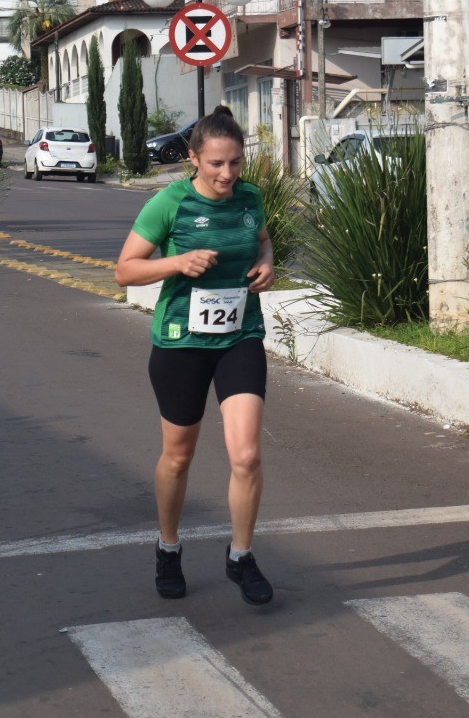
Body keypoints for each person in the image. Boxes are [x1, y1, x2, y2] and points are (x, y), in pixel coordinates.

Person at [114, 106, 276, 606]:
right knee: (178, 457)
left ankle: (241, 558)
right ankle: (168, 547)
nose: (227, 174)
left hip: (239, 337)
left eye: (235, 163)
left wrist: (267, 265)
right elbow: (124, 271)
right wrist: (178, 262)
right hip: (181, 342)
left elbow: (263, 241)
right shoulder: (170, 203)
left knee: (246, 455)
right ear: (193, 159)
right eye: (215, 164)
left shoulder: (251, 198)